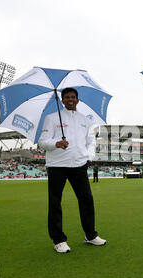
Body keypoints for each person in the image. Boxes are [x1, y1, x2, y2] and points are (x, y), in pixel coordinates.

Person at [38, 87, 106, 254]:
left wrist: (88, 157)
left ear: (77, 100)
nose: (70, 99)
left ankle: (90, 235)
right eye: (67, 97)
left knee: (87, 201)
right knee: (55, 203)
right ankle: (58, 240)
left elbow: (91, 141)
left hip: (79, 165)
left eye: (73, 97)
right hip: (57, 165)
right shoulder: (51, 118)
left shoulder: (85, 120)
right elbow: (42, 142)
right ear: (62, 100)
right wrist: (56, 143)